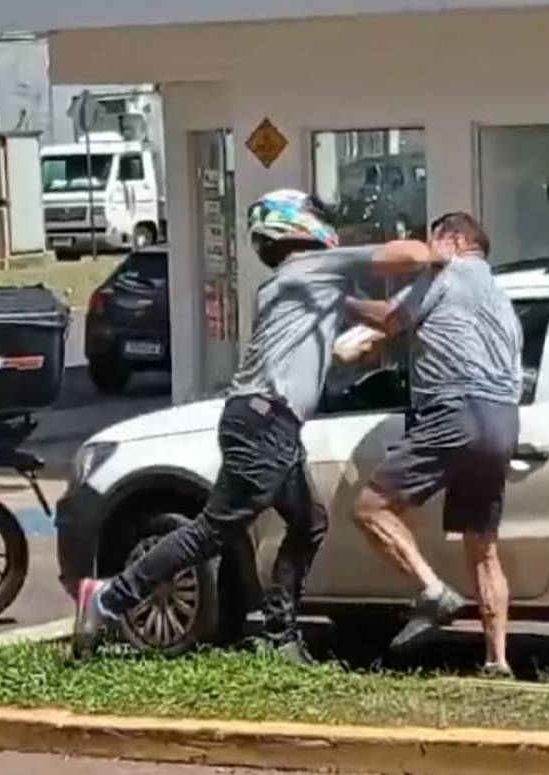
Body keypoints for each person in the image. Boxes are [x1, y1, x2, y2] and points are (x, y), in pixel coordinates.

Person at [72, 189, 443, 662]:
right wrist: (439, 250)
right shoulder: (316, 265)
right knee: (213, 530)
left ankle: (279, 635)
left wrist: (369, 314)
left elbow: (375, 325)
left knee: (309, 523)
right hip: (265, 422)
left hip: (269, 422)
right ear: (300, 224)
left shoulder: (293, 284)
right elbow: (410, 256)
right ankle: (108, 598)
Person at [344, 212, 522, 677]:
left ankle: (433, 590)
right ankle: (497, 660)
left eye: (432, 241)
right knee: (483, 546)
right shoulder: (500, 296)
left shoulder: (446, 274)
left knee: (370, 508)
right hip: (504, 419)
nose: (425, 252)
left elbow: (390, 319)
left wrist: (340, 300)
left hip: (456, 411)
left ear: (455, 240)